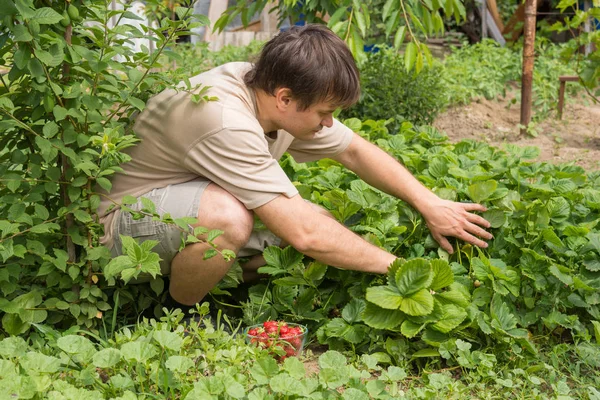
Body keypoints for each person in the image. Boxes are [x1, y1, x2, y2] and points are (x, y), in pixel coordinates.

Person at [98, 24, 492, 313]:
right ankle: (173, 312)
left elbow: (354, 151)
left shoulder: (266, 92)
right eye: (325, 113)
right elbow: (305, 235)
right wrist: (400, 269)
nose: (327, 124)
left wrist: (430, 203)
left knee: (323, 224)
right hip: (116, 227)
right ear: (286, 97)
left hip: (179, 207)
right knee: (231, 220)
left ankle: (208, 279)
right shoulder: (225, 119)